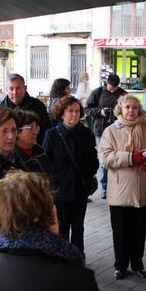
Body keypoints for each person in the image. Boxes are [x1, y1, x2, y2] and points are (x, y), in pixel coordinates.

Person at [98, 94, 146, 280]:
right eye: (127, 107)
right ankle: (120, 265)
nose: (131, 111)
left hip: (142, 190)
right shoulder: (110, 131)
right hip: (120, 192)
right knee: (121, 232)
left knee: (139, 232)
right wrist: (132, 158)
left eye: (134, 107)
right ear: (120, 109)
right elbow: (105, 158)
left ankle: (138, 264)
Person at [43, 96, 99, 251]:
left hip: (80, 189)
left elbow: (94, 160)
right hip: (59, 191)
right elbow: (45, 164)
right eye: (70, 111)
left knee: (78, 227)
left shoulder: (86, 133)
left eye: (77, 111)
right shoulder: (51, 135)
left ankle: (78, 258)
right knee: (61, 228)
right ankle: (62, 260)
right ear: (61, 113)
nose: (74, 114)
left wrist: (88, 175)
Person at [86, 73, 127, 198]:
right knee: (104, 159)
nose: (113, 89)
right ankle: (105, 188)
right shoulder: (97, 92)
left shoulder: (123, 94)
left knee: (118, 157)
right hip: (100, 130)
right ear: (106, 83)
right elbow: (87, 109)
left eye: (115, 87)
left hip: (119, 130)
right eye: (110, 87)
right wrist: (100, 111)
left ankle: (117, 185)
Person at [0, 73, 51, 144]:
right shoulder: (0, 109)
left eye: (18, 88)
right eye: (11, 89)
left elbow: (45, 131)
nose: (15, 92)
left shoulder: (38, 105)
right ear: (6, 90)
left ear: (25, 88)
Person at [14, 109, 55, 182]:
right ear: (17, 131)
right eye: (30, 128)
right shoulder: (13, 158)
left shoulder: (40, 152)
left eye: (36, 127)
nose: (35, 132)